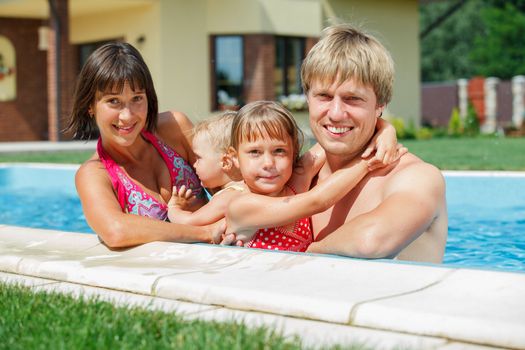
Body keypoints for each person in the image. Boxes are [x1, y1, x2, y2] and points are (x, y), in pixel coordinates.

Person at [301, 23, 448, 263]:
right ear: (308, 98)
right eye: (324, 96)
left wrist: (299, 254)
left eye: (352, 99)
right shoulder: (299, 173)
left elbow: (370, 240)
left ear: (380, 104)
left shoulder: (418, 177)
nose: (336, 113)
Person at [65, 42, 223, 248]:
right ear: (90, 106)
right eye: (114, 101)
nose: (127, 116)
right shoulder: (94, 174)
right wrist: (206, 233)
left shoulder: (174, 128)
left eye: (137, 98)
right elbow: (115, 231)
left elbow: (227, 180)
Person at [222, 101, 404, 252]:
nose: (268, 163)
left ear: (293, 153)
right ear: (234, 158)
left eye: (279, 151)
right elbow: (317, 201)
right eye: (254, 152)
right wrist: (367, 164)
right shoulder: (241, 206)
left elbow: (334, 142)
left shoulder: (295, 183)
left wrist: (386, 129)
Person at [167, 111, 245, 225]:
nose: (194, 164)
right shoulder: (248, 189)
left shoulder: (227, 197)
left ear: (226, 162)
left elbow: (190, 222)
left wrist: (174, 208)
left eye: (198, 158)